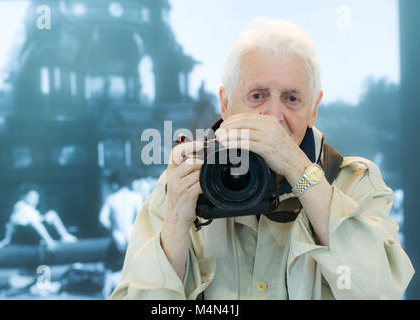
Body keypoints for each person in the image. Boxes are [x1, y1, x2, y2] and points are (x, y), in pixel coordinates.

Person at [111, 18, 414, 300]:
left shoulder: (354, 182)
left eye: (291, 98)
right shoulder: (182, 185)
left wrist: (298, 169)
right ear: (226, 104)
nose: (274, 117)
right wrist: (177, 222)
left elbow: (381, 291)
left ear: (314, 109)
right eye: (257, 96)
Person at [99, 172, 143, 298]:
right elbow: (141, 217)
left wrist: (113, 230)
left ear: (114, 184)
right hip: (131, 235)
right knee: (134, 265)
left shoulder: (112, 199)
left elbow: (102, 219)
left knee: (110, 266)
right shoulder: (136, 197)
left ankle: (106, 293)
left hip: (117, 236)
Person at [0, 186, 77, 250]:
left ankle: (65, 235)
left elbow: (38, 220)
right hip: (23, 234)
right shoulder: (20, 206)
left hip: (33, 232)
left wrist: (45, 218)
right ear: (25, 197)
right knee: (35, 222)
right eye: (32, 197)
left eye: (37, 198)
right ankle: (48, 241)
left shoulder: (32, 209)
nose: (35, 200)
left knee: (52, 214)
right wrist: (6, 240)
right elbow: (10, 224)